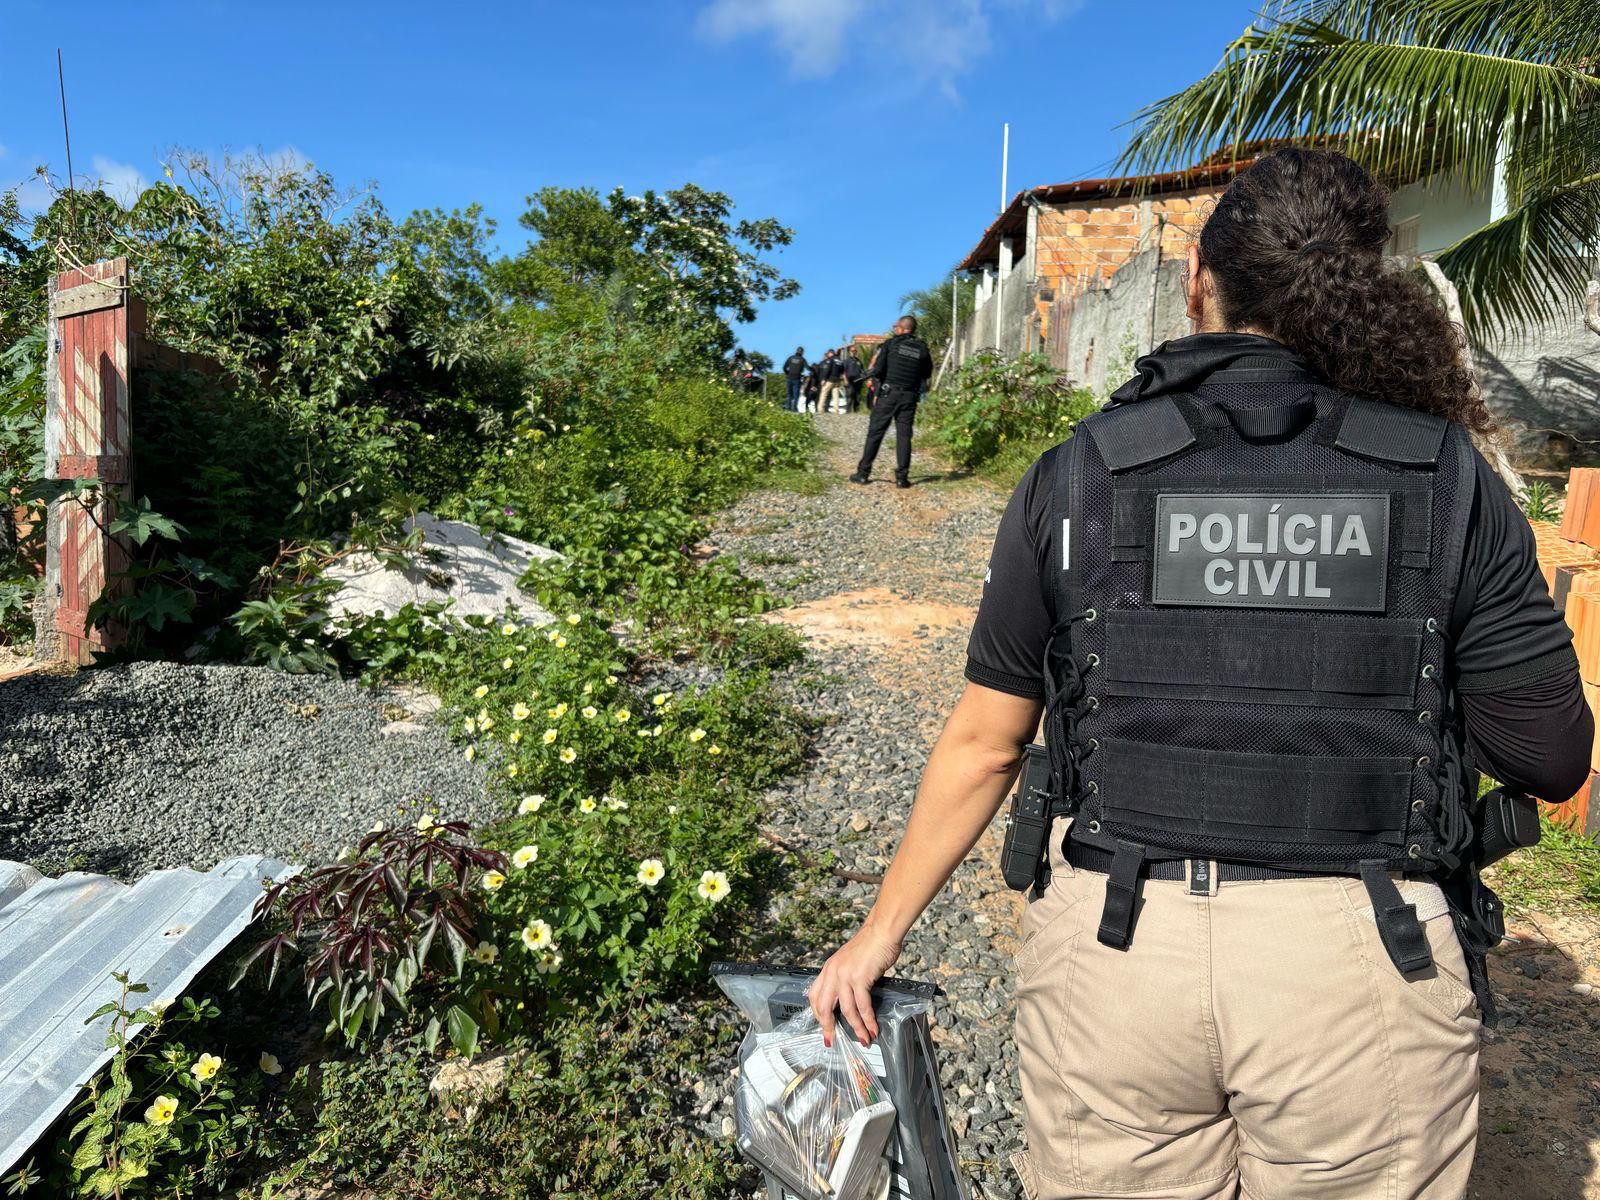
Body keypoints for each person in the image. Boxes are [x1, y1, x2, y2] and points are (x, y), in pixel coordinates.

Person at [809, 148, 1593, 1199]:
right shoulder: (1443, 473)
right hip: (1363, 963)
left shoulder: (1083, 469)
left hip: (1116, 959)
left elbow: (986, 740)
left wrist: (874, 939)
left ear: (1195, 284)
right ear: (1369, 283)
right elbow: (1545, 755)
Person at [850, 316, 932, 487]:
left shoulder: (891, 344)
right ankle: (902, 478)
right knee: (904, 436)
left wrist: (875, 376)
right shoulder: (922, 348)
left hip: (889, 395)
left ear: (902, 328)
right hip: (909, 397)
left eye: (896, 327)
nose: (895, 329)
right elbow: (926, 373)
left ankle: (863, 473)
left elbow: (879, 369)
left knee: (875, 433)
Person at [783, 346, 807, 412]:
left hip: (789, 377)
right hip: (797, 378)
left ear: (796, 351)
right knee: (796, 394)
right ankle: (794, 408)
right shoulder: (802, 359)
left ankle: (788, 407)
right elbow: (807, 367)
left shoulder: (790, 358)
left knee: (789, 393)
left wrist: (787, 373)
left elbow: (784, 367)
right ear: (802, 352)